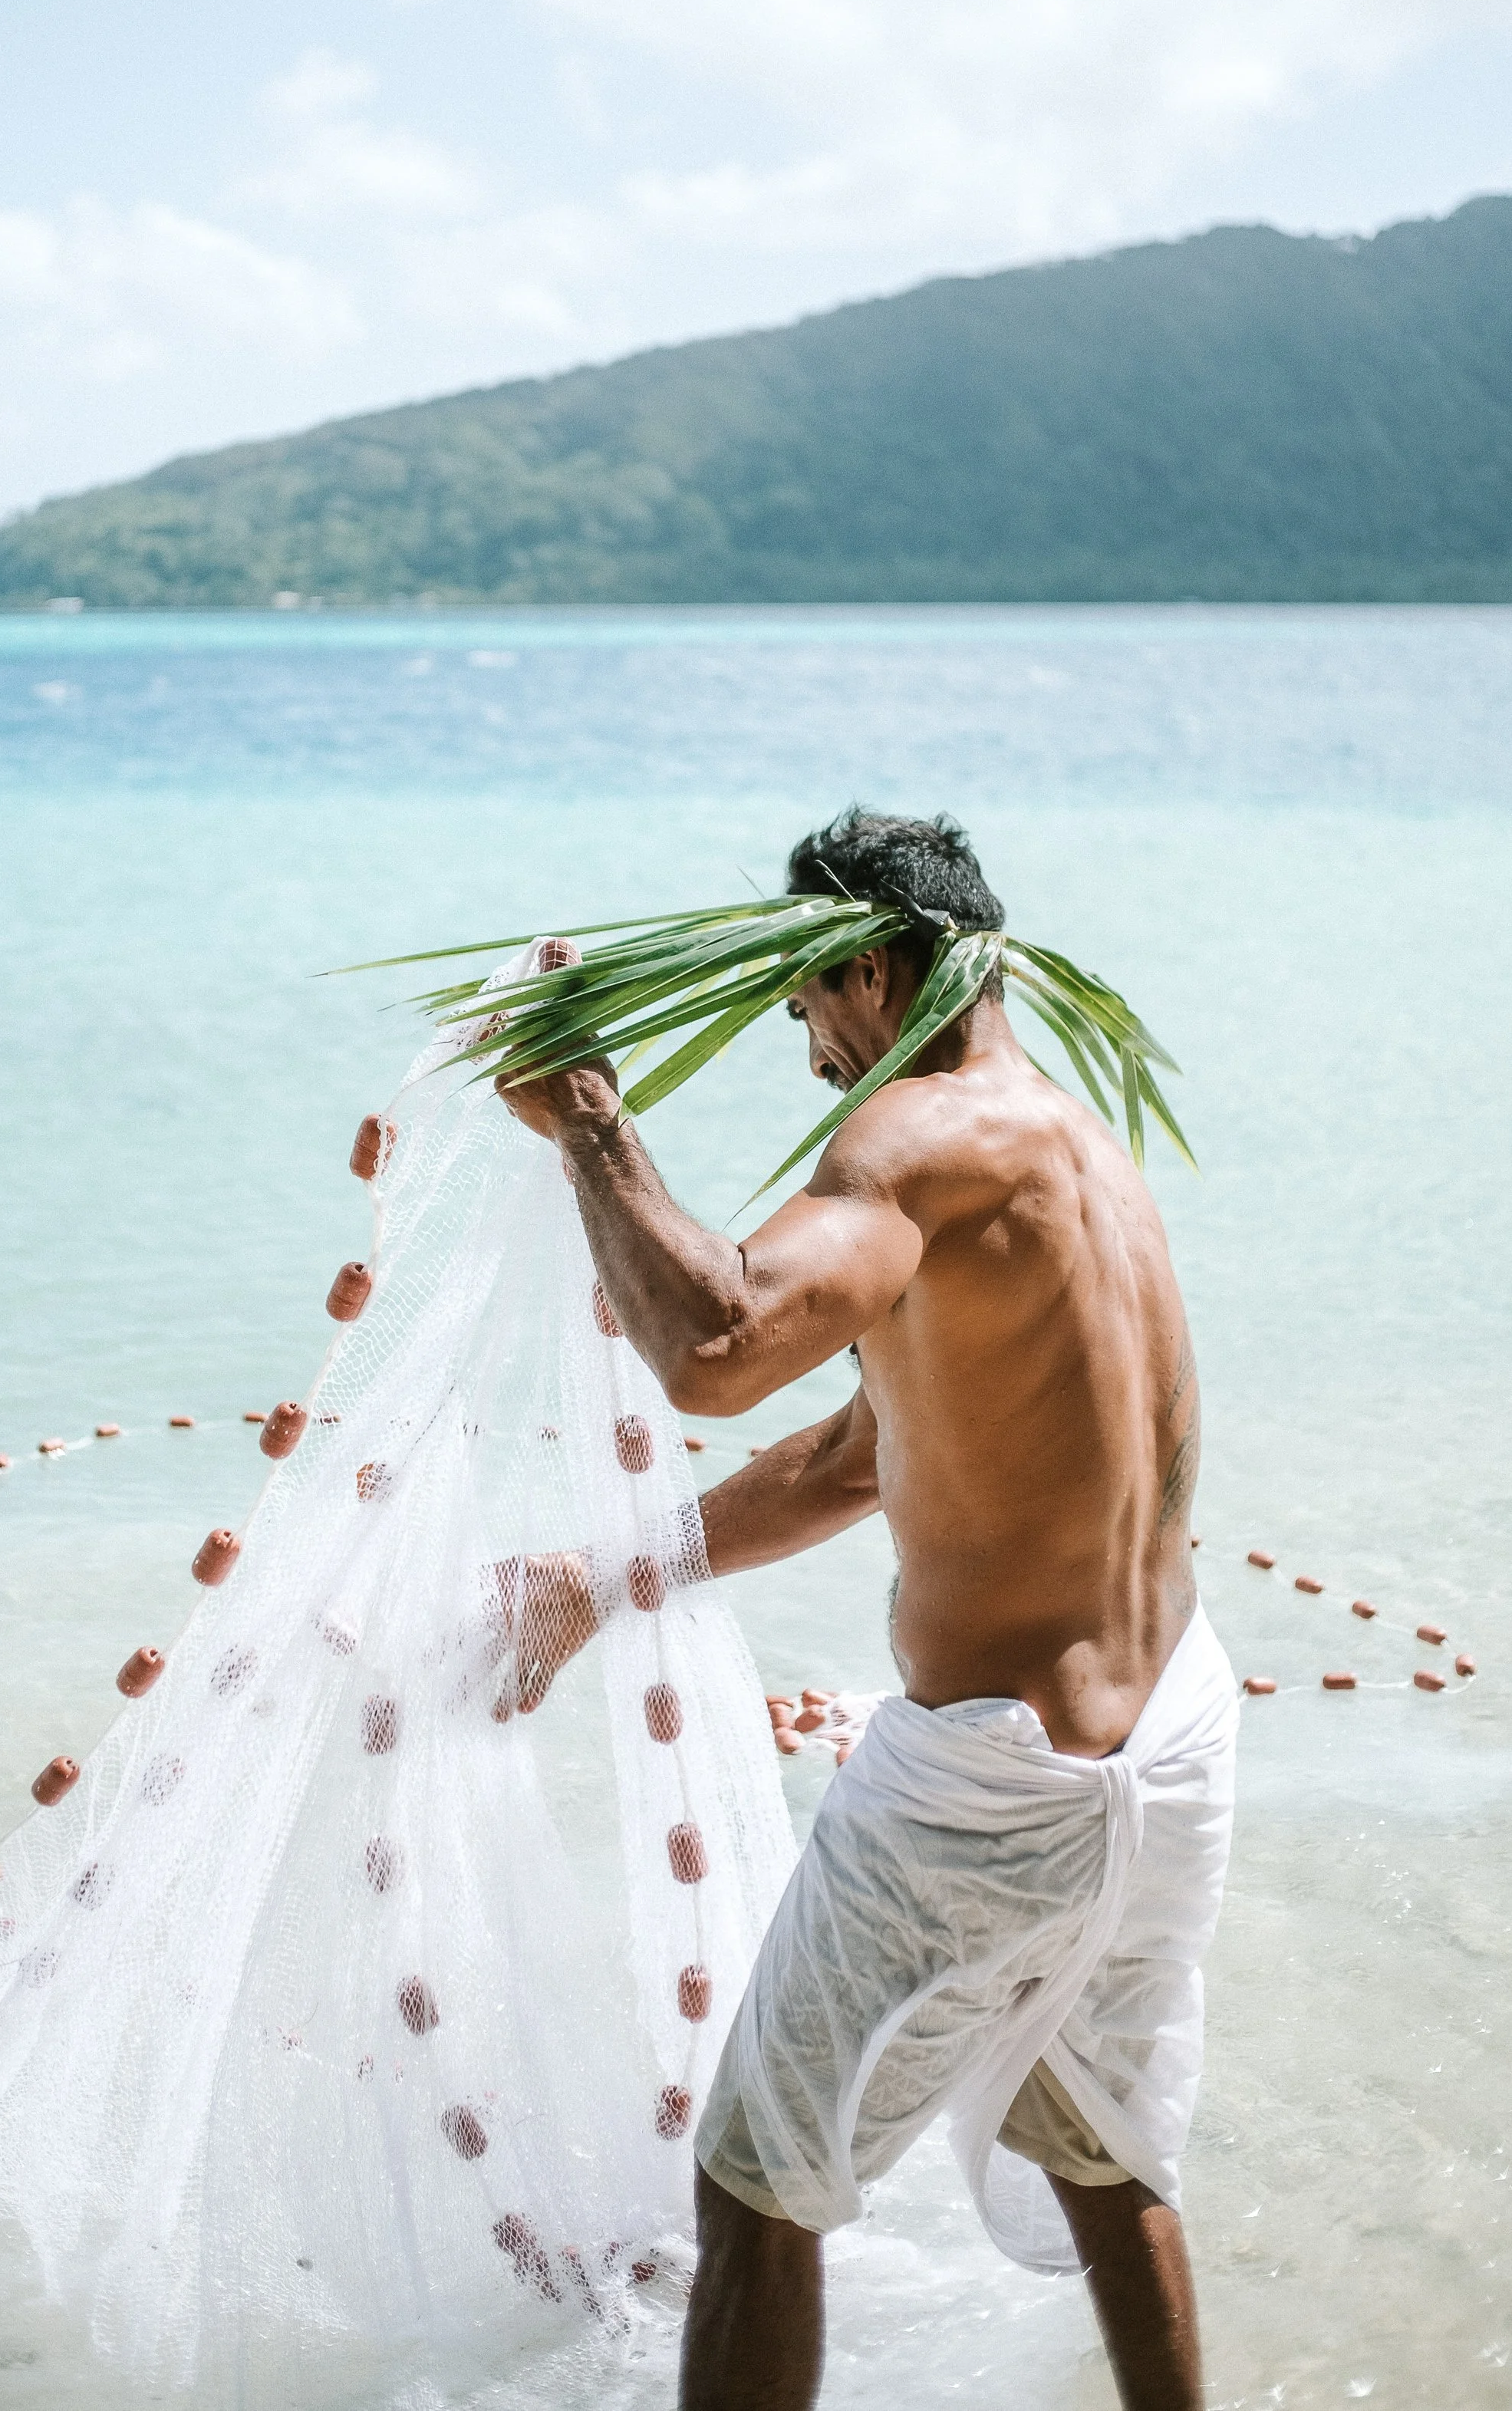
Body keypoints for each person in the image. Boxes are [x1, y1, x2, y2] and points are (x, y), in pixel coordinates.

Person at [497, 808, 1233, 2411]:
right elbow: (857, 1455)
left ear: (873, 970)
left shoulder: (913, 1140)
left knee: (754, 2185)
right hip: (1167, 1749)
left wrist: (591, 1126)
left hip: (994, 1787)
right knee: (1102, 2158)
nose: (808, 1048)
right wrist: (603, 1578)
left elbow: (715, 1348)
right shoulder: (1075, 1143)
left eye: (804, 1002)